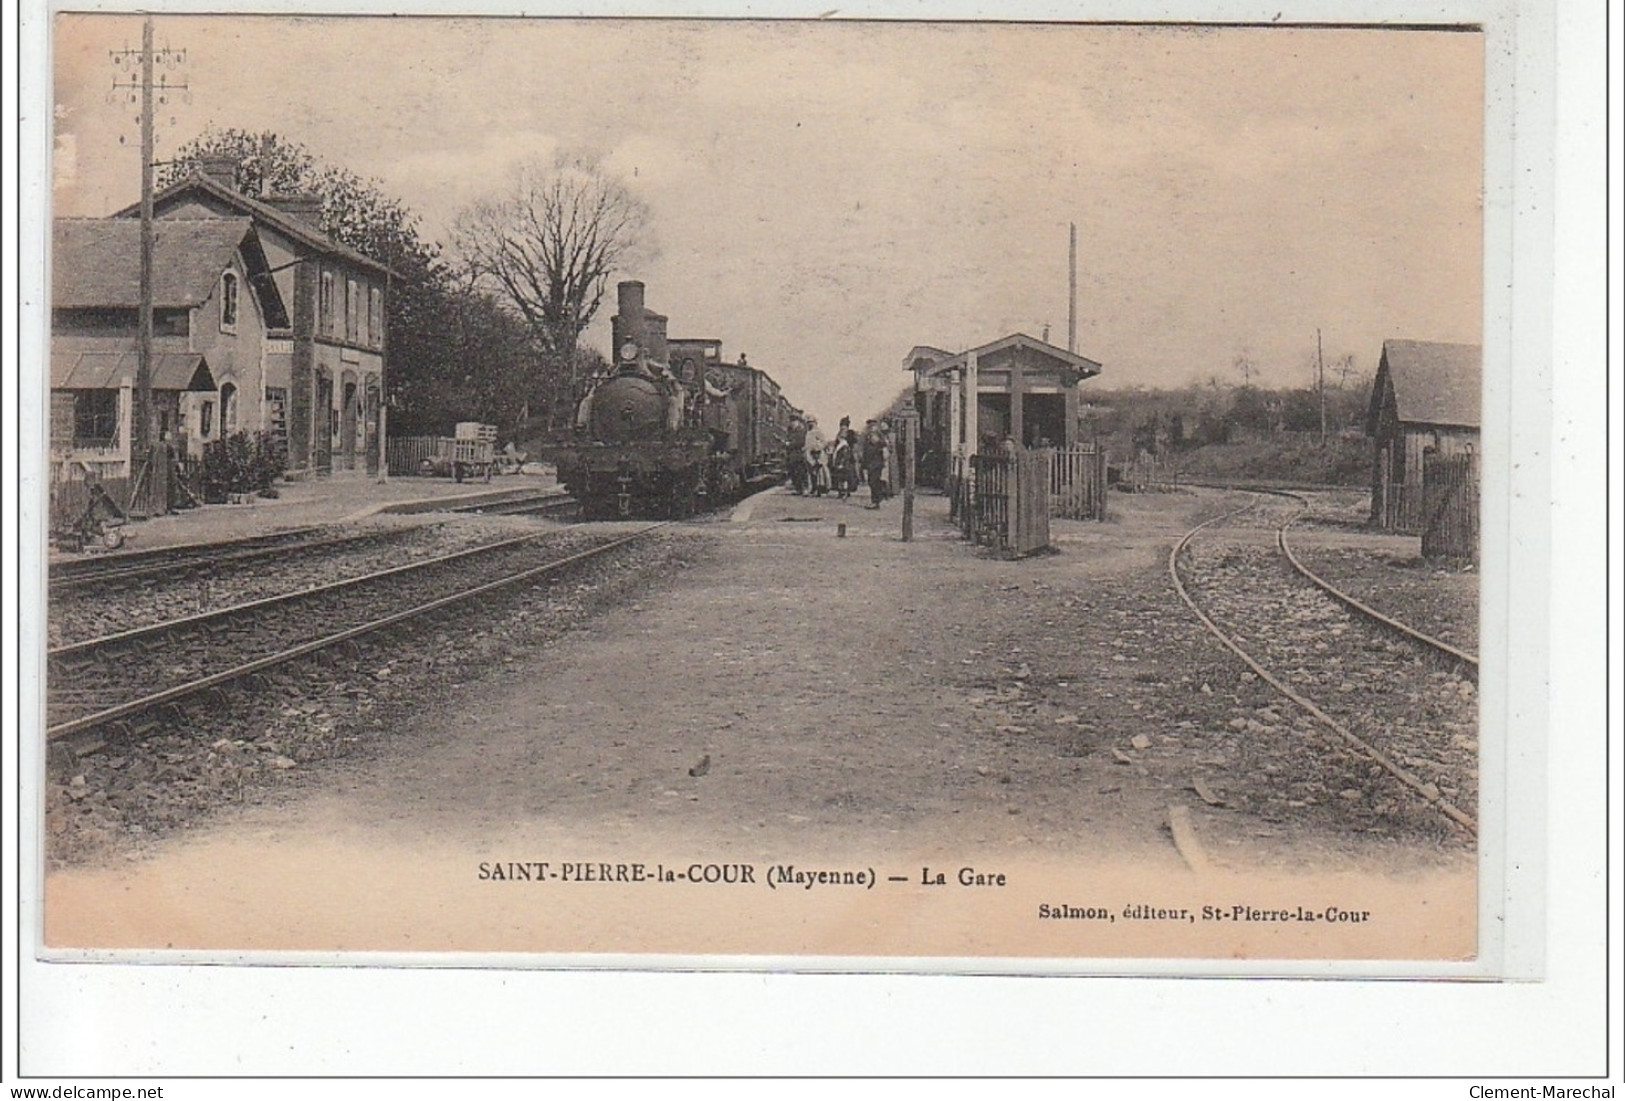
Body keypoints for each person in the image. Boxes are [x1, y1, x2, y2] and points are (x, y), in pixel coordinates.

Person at [861, 418, 888, 508]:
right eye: (869, 426)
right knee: (872, 482)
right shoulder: (868, 436)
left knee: (873, 482)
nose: (871, 428)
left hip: (876, 463)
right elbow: (866, 451)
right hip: (871, 463)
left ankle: (876, 501)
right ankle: (876, 500)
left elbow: (884, 445)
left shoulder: (878, 435)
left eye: (872, 426)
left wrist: (878, 442)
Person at [805, 417, 830, 497]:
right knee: (812, 473)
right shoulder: (808, 433)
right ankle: (814, 489)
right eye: (808, 422)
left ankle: (823, 490)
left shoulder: (818, 432)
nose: (810, 424)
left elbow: (824, 442)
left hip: (818, 455)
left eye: (811, 422)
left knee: (821, 473)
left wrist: (818, 448)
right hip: (810, 455)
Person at [786, 417, 809, 495]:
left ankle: (804, 489)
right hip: (793, 455)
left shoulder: (800, 431)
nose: (791, 424)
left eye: (793, 422)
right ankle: (798, 489)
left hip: (799, 455)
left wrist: (790, 444)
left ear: (797, 422)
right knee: (794, 472)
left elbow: (801, 442)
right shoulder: (793, 431)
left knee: (801, 472)